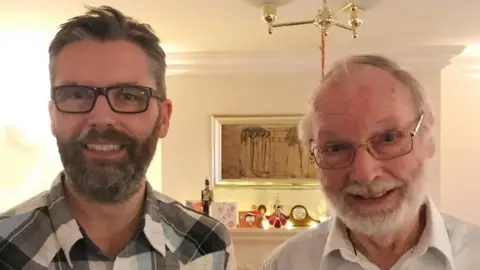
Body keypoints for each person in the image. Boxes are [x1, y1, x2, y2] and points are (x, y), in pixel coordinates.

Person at [0, 5, 236, 270]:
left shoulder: (207, 245)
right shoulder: (4, 246)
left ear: (164, 118)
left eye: (128, 95)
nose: (101, 118)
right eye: (77, 95)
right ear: (53, 116)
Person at [263, 55, 480, 270]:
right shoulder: (288, 263)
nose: (364, 174)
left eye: (388, 138)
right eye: (336, 148)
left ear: (428, 139)